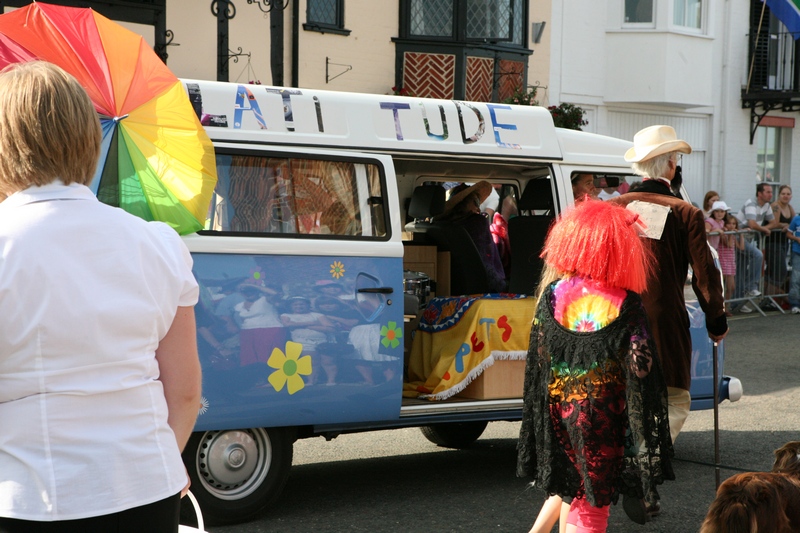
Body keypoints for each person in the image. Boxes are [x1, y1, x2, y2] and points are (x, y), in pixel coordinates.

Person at [0, 62, 201, 531]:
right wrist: (163, 464)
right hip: (148, 489)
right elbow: (186, 390)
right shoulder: (159, 243)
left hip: (26, 496)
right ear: (89, 140)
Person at [517, 200, 674, 533]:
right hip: (601, 418)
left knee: (570, 487)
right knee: (592, 507)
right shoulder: (625, 302)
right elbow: (641, 367)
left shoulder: (553, 295)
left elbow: (539, 360)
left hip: (558, 413)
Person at [611, 125, 727, 489]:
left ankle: (629, 459)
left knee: (624, 390)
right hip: (663, 319)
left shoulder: (613, 209)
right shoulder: (686, 212)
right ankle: (646, 461)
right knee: (674, 397)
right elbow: (704, 276)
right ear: (672, 165)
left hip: (613, 317)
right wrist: (717, 321)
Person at [437, 181, 507, 292]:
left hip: (450, 282)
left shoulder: (441, 226)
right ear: (463, 203)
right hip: (479, 283)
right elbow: (485, 259)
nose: (478, 208)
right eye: (475, 202)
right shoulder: (477, 223)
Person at [734, 183, 779, 309]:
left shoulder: (766, 205)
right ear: (759, 194)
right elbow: (752, 224)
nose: (771, 194)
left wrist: (764, 228)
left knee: (740, 271)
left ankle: (736, 303)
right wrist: (764, 229)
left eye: (771, 192)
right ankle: (751, 287)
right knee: (757, 255)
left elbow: (774, 222)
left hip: (747, 239)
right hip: (738, 236)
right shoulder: (751, 203)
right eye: (768, 192)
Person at [764, 184, 795, 302]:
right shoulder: (775, 206)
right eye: (783, 194)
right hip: (772, 242)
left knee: (772, 271)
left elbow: (794, 222)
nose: (786, 196)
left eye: (788, 194)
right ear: (779, 195)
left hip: (783, 242)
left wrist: (789, 227)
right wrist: (785, 225)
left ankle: (767, 299)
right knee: (780, 271)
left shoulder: (790, 208)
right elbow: (775, 223)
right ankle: (769, 299)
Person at [719, 214, 745, 316]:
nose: (731, 226)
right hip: (723, 261)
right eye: (729, 223)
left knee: (731, 287)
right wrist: (729, 234)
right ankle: (720, 308)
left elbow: (741, 247)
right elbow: (728, 244)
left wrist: (741, 235)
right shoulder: (724, 234)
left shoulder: (733, 235)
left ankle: (726, 307)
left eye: (734, 224)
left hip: (730, 262)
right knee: (722, 287)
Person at [784, 211, 800, 314]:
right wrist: (796, 238)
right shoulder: (796, 219)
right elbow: (789, 233)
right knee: (795, 278)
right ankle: (795, 304)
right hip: (797, 251)